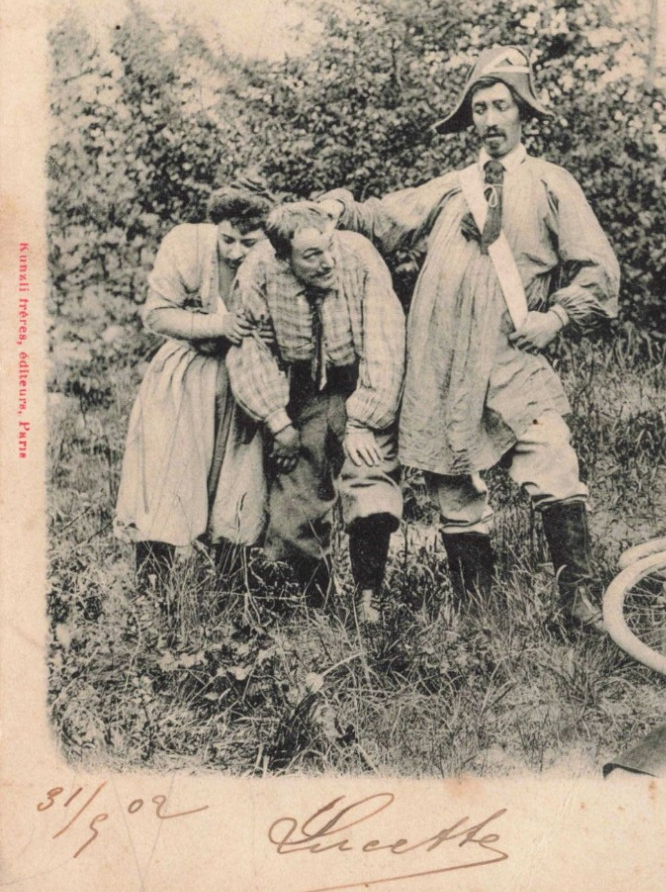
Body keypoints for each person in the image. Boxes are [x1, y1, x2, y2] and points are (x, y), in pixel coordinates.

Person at [319, 45, 620, 633]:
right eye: (479, 108)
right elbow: (385, 219)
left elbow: (599, 273)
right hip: (442, 364)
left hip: (509, 359)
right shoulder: (451, 187)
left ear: (523, 114)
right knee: (455, 489)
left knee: (553, 458)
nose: (489, 119)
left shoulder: (552, 184)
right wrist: (339, 206)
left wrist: (555, 319)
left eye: (501, 105)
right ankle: (479, 621)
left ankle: (578, 607)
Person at [226, 201, 405, 622]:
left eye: (328, 248)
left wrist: (364, 419)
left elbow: (386, 340)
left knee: (370, 485)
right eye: (312, 255)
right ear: (283, 258)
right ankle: (314, 606)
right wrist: (276, 419)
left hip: (358, 385)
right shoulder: (258, 270)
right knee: (294, 507)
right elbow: (248, 345)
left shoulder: (358, 257)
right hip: (300, 393)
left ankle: (368, 597)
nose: (328, 261)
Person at [114, 179, 274, 589]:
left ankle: (231, 597)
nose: (236, 251)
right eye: (229, 239)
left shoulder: (275, 257)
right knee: (168, 474)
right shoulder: (186, 244)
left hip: (245, 381)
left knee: (240, 481)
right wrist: (218, 324)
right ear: (216, 226)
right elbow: (157, 315)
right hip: (184, 375)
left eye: (248, 242)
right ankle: (154, 591)